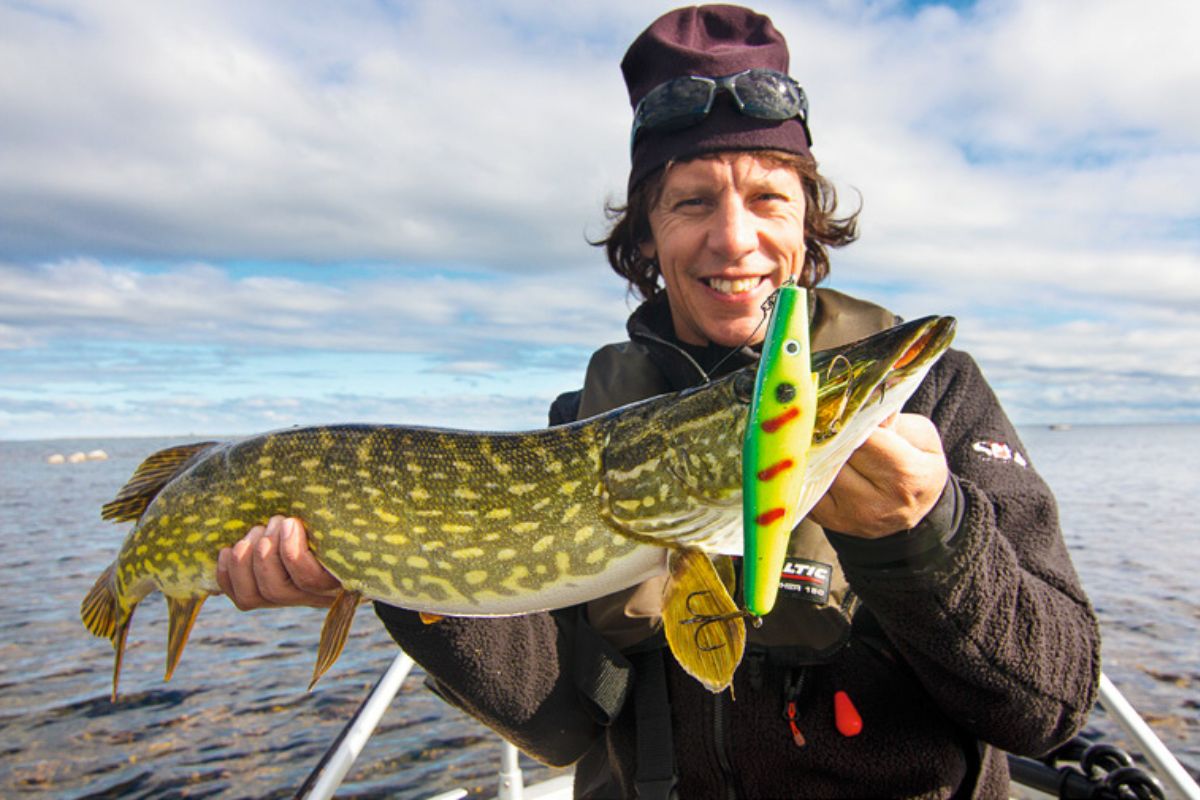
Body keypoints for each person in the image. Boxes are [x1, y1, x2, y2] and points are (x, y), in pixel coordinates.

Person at [217, 6, 1101, 797]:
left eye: (768, 197)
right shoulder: (584, 420)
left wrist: (926, 538)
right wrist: (398, 575)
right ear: (646, 231)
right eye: (690, 202)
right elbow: (561, 719)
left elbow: (1051, 707)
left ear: (807, 221)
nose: (734, 238)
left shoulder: (937, 394)